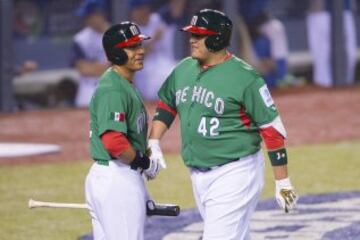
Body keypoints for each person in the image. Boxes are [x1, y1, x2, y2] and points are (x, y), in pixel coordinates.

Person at [148, 9, 298, 239]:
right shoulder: (183, 69)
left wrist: (283, 181)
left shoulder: (245, 78)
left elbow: (271, 129)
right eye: (192, 35)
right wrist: (154, 141)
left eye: (199, 36)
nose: (192, 40)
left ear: (217, 38)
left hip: (236, 173)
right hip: (198, 174)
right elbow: (168, 104)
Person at [85, 22, 163, 240]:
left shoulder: (121, 83)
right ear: (116, 53)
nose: (141, 51)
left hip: (113, 176)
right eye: (132, 47)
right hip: (117, 178)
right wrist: (144, 163)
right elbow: (113, 141)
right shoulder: (113, 90)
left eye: (140, 45)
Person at [130, 0, 177, 101]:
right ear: (132, 12)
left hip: (167, 65)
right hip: (147, 77)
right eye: (139, 9)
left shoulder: (157, 19)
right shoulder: (130, 31)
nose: (143, 11)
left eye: (144, 8)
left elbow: (176, 8)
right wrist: (154, 40)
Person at [307, 0, 357, 87]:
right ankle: (324, 90)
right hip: (320, 13)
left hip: (345, 12)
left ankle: (346, 88)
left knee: (350, 54)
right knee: (322, 57)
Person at [72, 0, 110, 107]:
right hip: (89, 89)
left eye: (89, 16)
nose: (86, 20)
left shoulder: (118, 35)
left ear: (100, 15)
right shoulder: (80, 39)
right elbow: (84, 69)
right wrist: (110, 64)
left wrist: (98, 67)